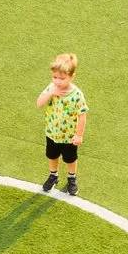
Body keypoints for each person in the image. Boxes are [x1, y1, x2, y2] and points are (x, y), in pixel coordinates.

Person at [37, 53, 89, 197]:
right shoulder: (51, 88)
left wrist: (79, 135)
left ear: (72, 77)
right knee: (52, 155)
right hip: (52, 133)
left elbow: (82, 115)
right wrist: (50, 93)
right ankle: (53, 175)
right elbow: (39, 104)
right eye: (55, 77)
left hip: (69, 136)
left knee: (70, 158)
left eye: (62, 78)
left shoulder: (76, 94)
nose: (58, 81)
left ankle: (72, 178)